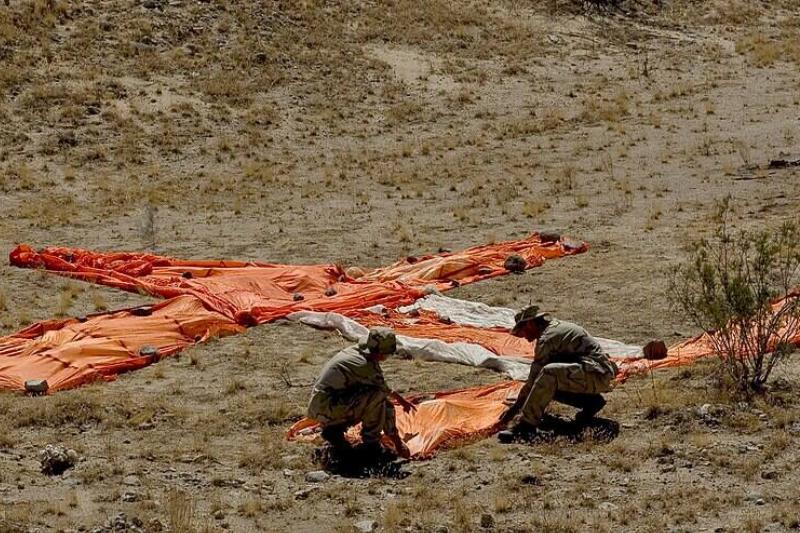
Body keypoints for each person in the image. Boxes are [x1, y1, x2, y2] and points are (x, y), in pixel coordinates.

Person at [497, 306, 618, 443]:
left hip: (596, 374)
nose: (523, 336)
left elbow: (532, 383)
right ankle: (591, 402)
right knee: (547, 381)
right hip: (594, 374)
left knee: (548, 374)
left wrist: (513, 412)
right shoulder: (555, 329)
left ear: (530, 324)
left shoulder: (547, 338)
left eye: (522, 330)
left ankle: (525, 427)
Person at [308, 327, 416, 458]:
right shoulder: (364, 365)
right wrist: (397, 442)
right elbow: (383, 392)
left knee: (379, 399)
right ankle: (371, 445)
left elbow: (386, 396)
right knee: (376, 396)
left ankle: (334, 431)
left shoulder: (357, 352)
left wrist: (397, 440)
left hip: (326, 403)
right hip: (327, 407)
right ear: (380, 353)